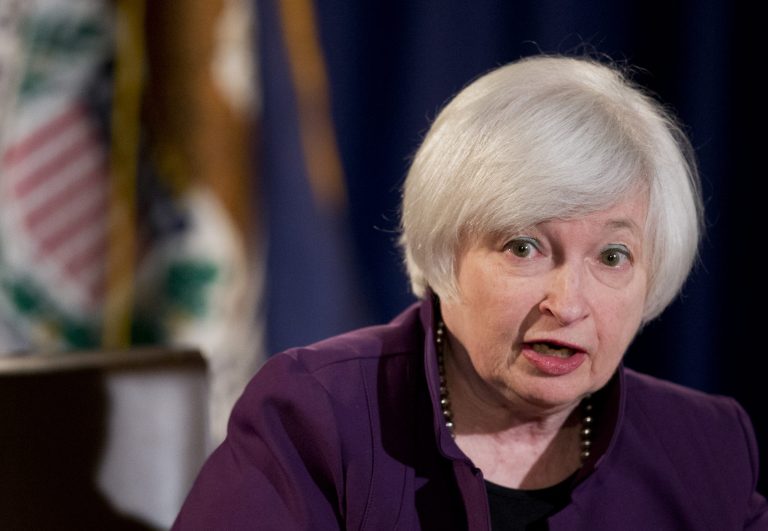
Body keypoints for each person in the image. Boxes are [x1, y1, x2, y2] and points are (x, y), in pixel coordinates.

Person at [173, 55, 768, 530]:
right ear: (443, 249)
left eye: (613, 257)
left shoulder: (708, 449)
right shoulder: (315, 417)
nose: (568, 303)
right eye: (524, 247)